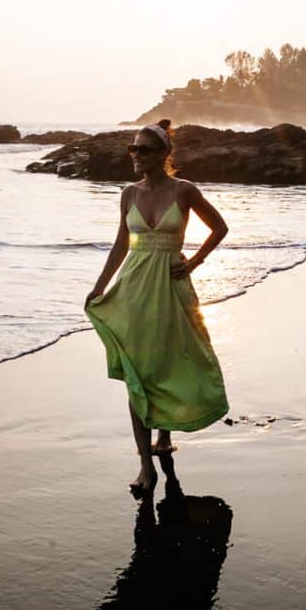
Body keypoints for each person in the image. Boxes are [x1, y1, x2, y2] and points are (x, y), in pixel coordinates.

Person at [84, 119, 229, 496]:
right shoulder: (128, 194)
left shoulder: (185, 190)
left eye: (143, 149)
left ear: (164, 154)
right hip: (133, 289)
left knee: (170, 360)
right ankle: (146, 464)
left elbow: (220, 228)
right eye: (132, 148)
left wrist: (194, 262)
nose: (135, 155)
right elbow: (120, 245)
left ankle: (164, 435)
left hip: (171, 286)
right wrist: (100, 286)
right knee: (140, 373)